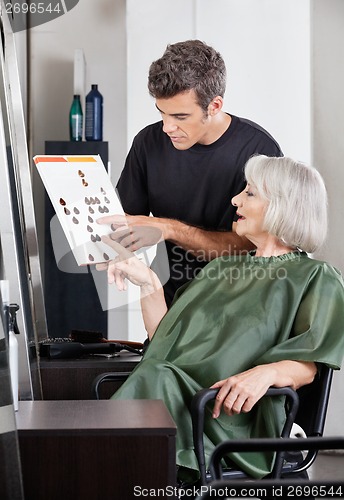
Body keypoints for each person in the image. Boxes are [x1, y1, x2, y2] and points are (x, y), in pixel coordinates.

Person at [98, 155, 344, 481]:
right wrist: (149, 284)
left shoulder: (315, 277)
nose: (235, 199)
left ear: (284, 207)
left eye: (250, 193)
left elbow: (309, 365)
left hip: (232, 412)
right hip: (180, 397)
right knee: (156, 373)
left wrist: (265, 374)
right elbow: (166, 344)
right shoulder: (220, 269)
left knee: (153, 382)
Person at [97, 39, 283, 307]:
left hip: (241, 312)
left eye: (180, 117)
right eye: (163, 114)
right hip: (173, 308)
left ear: (214, 106)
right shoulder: (147, 144)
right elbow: (125, 223)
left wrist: (169, 229)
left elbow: (251, 245)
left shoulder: (259, 151)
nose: (167, 127)